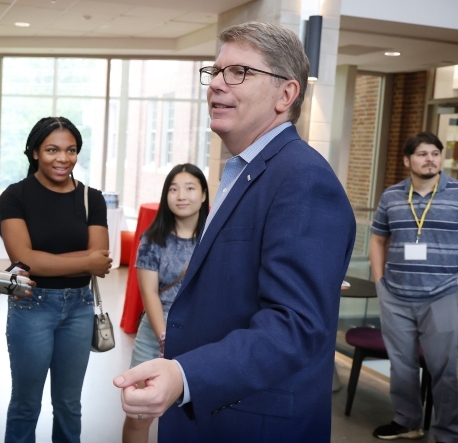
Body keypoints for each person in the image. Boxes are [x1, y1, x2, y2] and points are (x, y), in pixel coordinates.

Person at [113, 22, 356, 443]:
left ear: (286, 95)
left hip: (253, 422)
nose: (217, 85)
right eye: (215, 72)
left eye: (239, 72)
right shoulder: (244, 172)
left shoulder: (302, 180)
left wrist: (186, 374)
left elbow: (294, 325)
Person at [0, 116, 112, 443]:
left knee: (68, 404)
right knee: (25, 404)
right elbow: (24, 260)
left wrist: (46, 262)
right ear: (35, 152)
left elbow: (100, 261)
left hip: (79, 308)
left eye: (71, 150)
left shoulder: (92, 198)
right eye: (52, 149)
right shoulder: (16, 196)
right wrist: (82, 261)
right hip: (32, 307)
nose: (63, 158)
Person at [370, 132, 458, 443]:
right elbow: (378, 239)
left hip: (445, 294)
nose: (430, 159)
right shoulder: (392, 196)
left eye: (435, 153)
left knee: (448, 371)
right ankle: (407, 421)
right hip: (396, 294)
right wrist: (380, 281)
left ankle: (448, 432)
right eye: (422, 154)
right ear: (408, 160)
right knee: (402, 366)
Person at [122, 163, 209, 443]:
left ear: (205, 195)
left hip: (201, 335)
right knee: (140, 414)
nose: (181, 195)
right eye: (173, 189)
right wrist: (163, 336)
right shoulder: (153, 238)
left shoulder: (214, 239)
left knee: (196, 415)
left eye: (190, 188)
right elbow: (149, 294)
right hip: (155, 331)